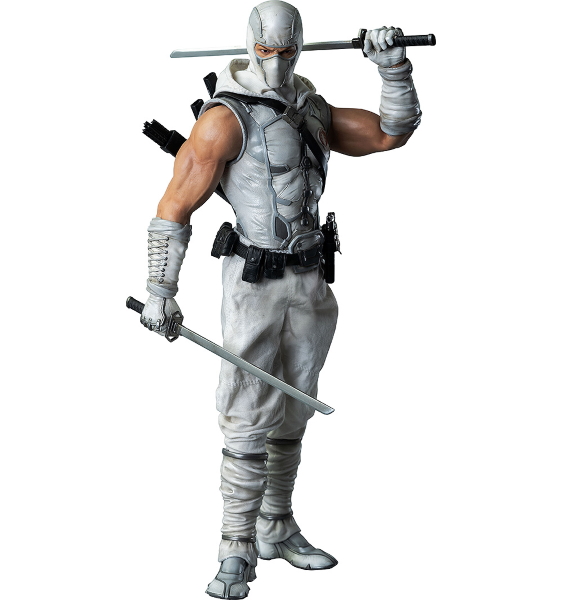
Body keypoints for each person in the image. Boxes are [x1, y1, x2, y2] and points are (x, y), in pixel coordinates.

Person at [139, 2, 421, 598]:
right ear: (250, 46)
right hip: (254, 283)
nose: (275, 65)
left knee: (294, 406)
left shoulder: (309, 106)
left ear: (300, 47)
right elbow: (174, 205)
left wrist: (393, 68)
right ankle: (235, 548)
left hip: (311, 278)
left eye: (286, 52)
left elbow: (388, 134)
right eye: (265, 52)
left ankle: (276, 525)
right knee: (246, 417)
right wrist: (160, 290)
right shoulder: (224, 120)